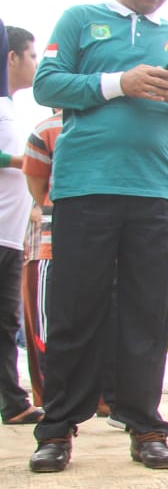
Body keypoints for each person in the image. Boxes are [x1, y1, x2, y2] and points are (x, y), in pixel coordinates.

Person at [30, 0, 168, 473]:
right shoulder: (81, 20)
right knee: (74, 308)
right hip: (86, 187)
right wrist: (118, 83)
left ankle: (145, 424)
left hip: (156, 191)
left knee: (146, 312)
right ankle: (57, 429)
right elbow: (47, 84)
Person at [0, 26, 41, 425]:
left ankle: (12, 403)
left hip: (10, 238)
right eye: (30, 55)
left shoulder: (11, 108)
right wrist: (22, 162)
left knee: (6, 323)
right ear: (10, 57)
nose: (35, 62)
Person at [21, 109, 61, 407]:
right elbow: (36, 184)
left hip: (99, 248)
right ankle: (55, 407)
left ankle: (100, 398)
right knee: (49, 330)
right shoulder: (47, 130)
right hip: (50, 247)